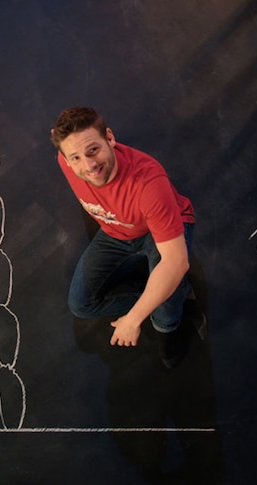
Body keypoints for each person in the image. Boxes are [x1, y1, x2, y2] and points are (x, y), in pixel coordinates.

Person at [50, 107, 196, 368]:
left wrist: (133, 318)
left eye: (93, 150)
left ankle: (170, 311)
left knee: (165, 317)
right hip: (115, 233)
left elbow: (176, 262)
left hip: (158, 232)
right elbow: (63, 144)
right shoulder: (66, 162)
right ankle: (170, 293)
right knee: (80, 304)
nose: (88, 165)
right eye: (76, 157)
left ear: (110, 137)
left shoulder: (150, 185)